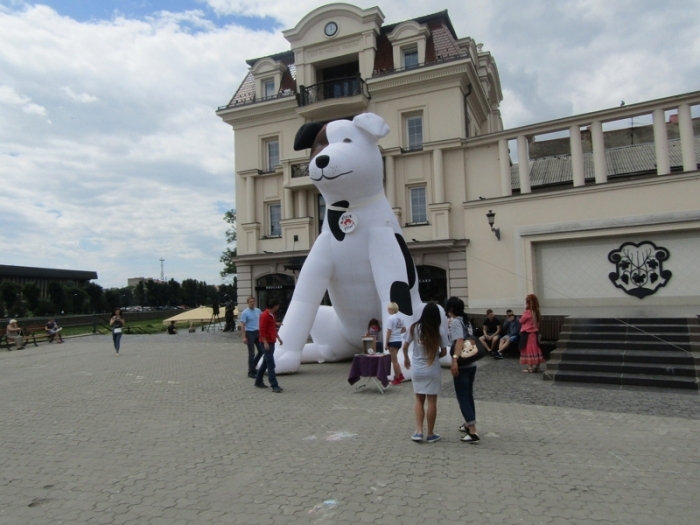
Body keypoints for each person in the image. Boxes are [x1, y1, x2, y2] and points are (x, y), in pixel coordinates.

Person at [402, 303, 448, 443]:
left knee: (419, 399)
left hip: (417, 369)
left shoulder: (414, 328)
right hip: (432, 369)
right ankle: (431, 434)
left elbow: (404, 346)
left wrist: (406, 359)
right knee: (432, 401)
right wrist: (435, 358)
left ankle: (419, 431)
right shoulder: (440, 330)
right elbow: (444, 351)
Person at [446, 297, 481, 444]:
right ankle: (469, 422)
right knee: (468, 394)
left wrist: (454, 359)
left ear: (451, 309)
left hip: (462, 364)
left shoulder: (456, 322)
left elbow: (459, 340)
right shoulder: (466, 321)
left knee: (463, 397)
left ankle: (472, 431)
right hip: (471, 362)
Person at [256, 298, 284, 393]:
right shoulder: (265, 315)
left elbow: (271, 328)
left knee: (266, 362)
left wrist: (278, 337)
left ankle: (258, 380)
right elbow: (262, 329)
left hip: (270, 342)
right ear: (275, 306)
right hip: (266, 343)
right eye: (278, 305)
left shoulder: (272, 315)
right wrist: (264, 342)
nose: (278, 307)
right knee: (271, 364)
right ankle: (274, 385)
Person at [239, 296, 264, 379]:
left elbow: (262, 320)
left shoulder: (258, 311)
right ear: (248, 303)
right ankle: (251, 371)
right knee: (251, 353)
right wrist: (244, 337)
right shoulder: (245, 313)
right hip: (249, 333)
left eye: (253, 301)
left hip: (257, 332)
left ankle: (253, 366)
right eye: (251, 302)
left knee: (261, 351)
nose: (252, 303)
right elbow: (242, 325)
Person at [520, 294, 545, 373]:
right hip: (534, 333)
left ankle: (530, 367)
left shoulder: (527, 312)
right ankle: (537, 367)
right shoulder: (536, 312)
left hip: (527, 333)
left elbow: (521, 321)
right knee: (535, 349)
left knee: (529, 349)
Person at [384, 302, 406, 386]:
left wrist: (386, 343)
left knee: (394, 361)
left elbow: (388, 331)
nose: (387, 310)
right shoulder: (401, 318)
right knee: (395, 360)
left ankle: (397, 379)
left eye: (389, 309)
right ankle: (400, 375)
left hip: (392, 341)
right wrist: (397, 332)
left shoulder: (390, 319)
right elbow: (404, 329)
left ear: (392, 310)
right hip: (399, 340)